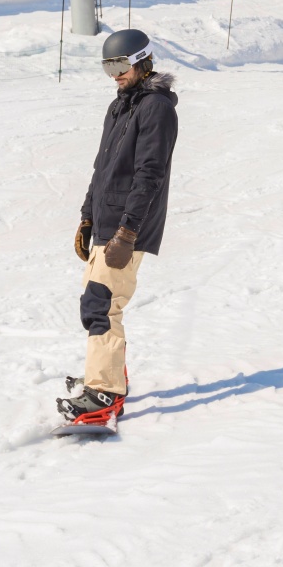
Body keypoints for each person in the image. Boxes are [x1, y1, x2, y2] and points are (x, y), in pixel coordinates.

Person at [59, 28, 179, 430]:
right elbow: (102, 168)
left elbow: (150, 174)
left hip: (128, 225)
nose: (115, 75)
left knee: (102, 305)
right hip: (106, 221)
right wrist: (87, 216)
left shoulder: (156, 108)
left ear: (143, 62)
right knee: (95, 302)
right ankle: (108, 376)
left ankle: (105, 393)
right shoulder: (119, 106)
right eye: (108, 67)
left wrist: (128, 233)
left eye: (121, 65)